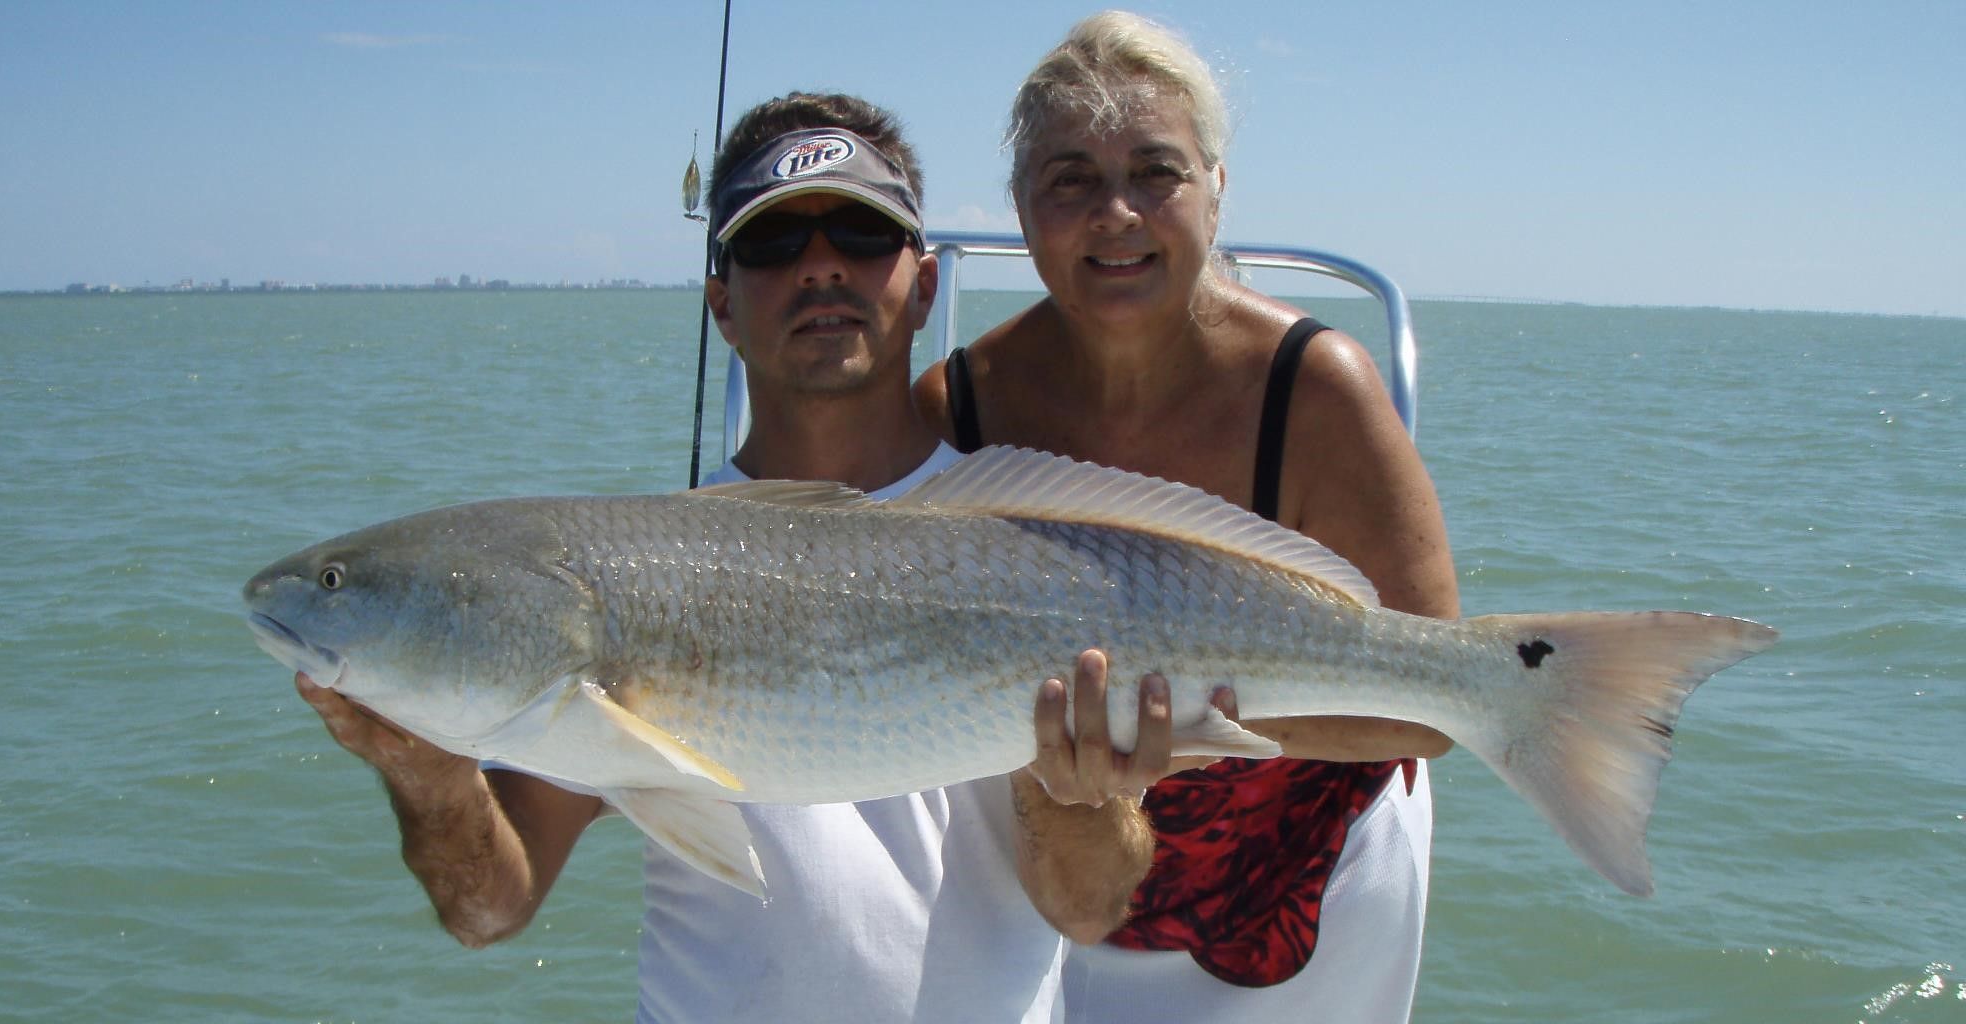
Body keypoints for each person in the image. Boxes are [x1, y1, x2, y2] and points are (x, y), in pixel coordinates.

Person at [293, 91, 1180, 1024]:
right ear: (721, 302)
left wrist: (1077, 793)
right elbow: (487, 908)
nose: (822, 267)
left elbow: (1087, 910)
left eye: (861, 234)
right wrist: (429, 778)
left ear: (922, 284)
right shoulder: (625, 575)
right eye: (773, 244)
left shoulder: (1036, 540)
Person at [913, 13, 1461, 1023]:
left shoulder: (1317, 386)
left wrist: (1178, 725)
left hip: (1302, 867)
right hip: (1059, 855)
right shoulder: (956, 406)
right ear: (1022, 209)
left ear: (1217, 186)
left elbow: (1428, 696)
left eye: (1155, 172)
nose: (1114, 213)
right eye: (1068, 179)